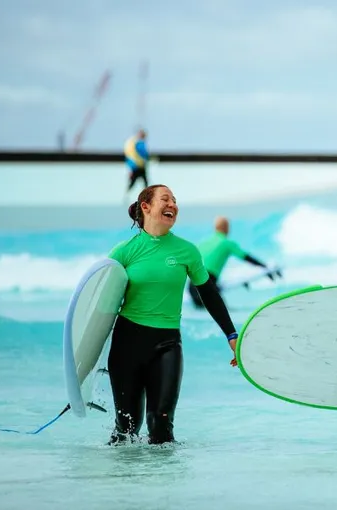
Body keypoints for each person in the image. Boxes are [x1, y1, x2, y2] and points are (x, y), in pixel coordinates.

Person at [107, 184, 239, 445]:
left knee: (161, 425)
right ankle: (121, 472)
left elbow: (209, 294)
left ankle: (166, 472)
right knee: (126, 428)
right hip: (127, 343)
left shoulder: (187, 251)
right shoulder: (124, 252)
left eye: (175, 201)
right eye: (165, 199)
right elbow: (100, 301)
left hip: (166, 344)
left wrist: (231, 335)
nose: (172, 205)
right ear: (146, 207)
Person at [187, 216, 279, 308]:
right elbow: (246, 257)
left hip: (192, 286)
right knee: (222, 312)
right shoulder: (226, 243)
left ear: (215, 228)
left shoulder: (204, 242)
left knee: (202, 311)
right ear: (227, 228)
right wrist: (264, 266)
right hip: (207, 285)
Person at [124, 129, 149, 198]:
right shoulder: (136, 143)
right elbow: (143, 154)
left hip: (139, 166)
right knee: (134, 182)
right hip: (136, 167)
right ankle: (126, 195)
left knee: (144, 182)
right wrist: (131, 168)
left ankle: (147, 196)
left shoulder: (135, 143)